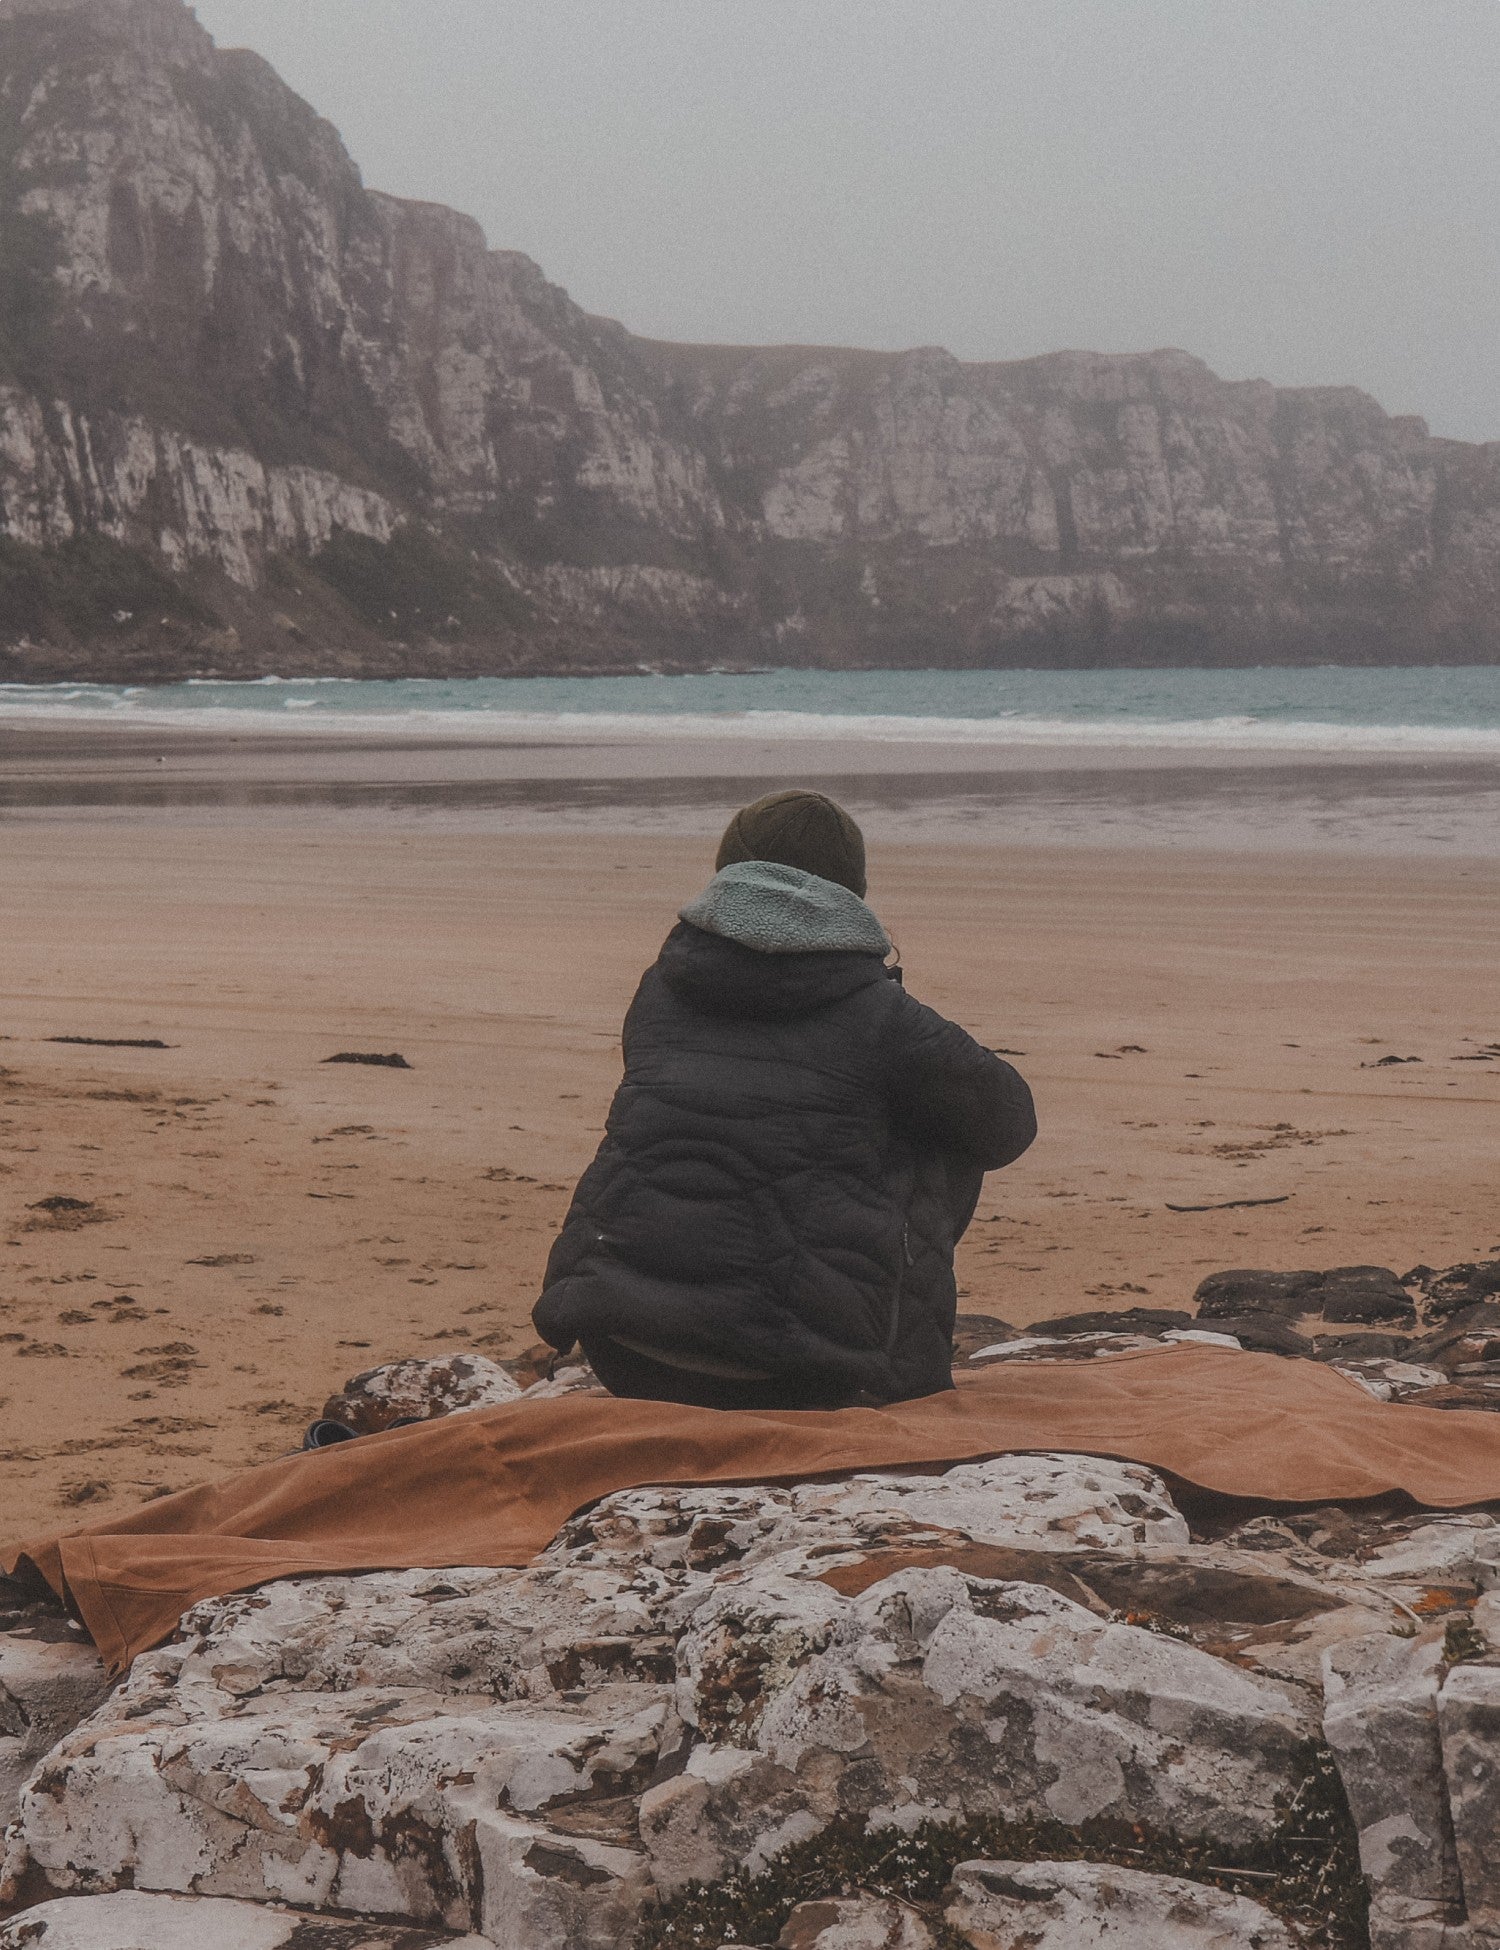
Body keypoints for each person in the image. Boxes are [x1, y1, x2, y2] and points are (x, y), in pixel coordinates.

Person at [532, 790, 1036, 1410]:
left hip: (620, 1343)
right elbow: (1009, 1125)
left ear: (726, 876)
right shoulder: (884, 1020)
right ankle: (895, 1368)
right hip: (791, 1372)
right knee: (947, 1126)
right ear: (851, 892)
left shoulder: (661, 989)